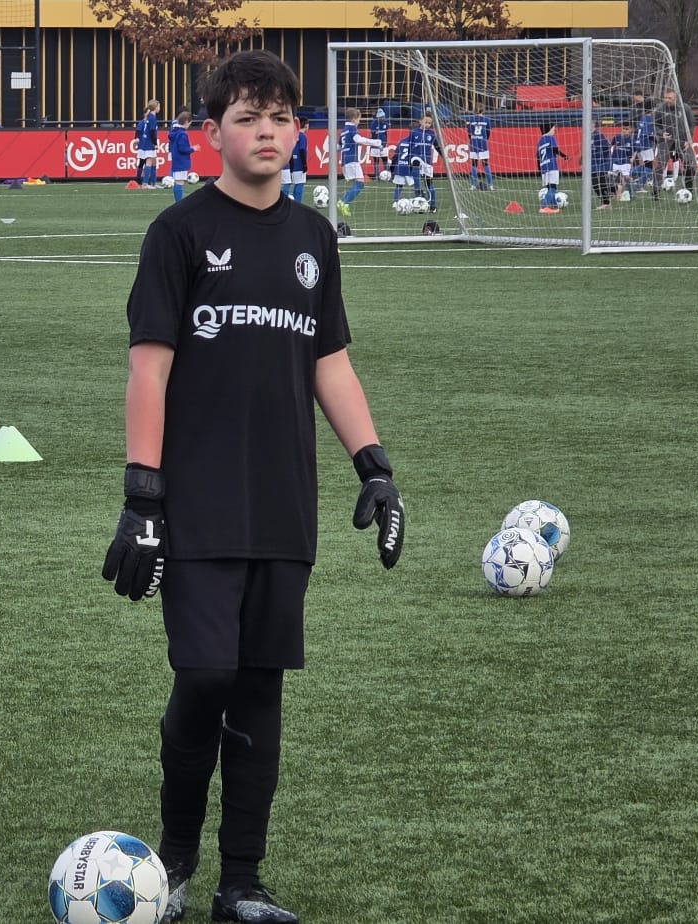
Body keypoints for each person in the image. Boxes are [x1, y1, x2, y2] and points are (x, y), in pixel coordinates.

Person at [102, 48, 404, 924]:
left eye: (279, 117)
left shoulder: (313, 238)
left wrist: (375, 467)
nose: (266, 131)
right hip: (195, 504)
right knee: (203, 677)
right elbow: (148, 371)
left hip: (282, 504)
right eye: (246, 117)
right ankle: (178, 853)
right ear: (211, 134)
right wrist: (142, 495)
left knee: (260, 690)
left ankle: (242, 882)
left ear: (298, 130)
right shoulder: (180, 234)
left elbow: (331, 363)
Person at [334, 107, 380, 216]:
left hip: (345, 160)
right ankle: (343, 202)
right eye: (359, 119)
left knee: (359, 183)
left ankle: (344, 203)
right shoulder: (352, 128)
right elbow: (358, 139)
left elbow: (338, 147)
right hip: (352, 160)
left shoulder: (344, 131)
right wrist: (375, 142)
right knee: (360, 183)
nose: (359, 122)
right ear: (354, 119)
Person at [628, 92, 659, 197]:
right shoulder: (648, 120)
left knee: (646, 165)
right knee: (649, 167)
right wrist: (655, 138)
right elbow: (646, 134)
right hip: (644, 145)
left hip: (640, 144)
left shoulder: (644, 117)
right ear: (653, 109)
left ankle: (630, 177)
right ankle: (635, 182)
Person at [656, 89, 687, 190]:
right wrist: (661, 134)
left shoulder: (682, 109)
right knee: (663, 160)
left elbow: (688, 125)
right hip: (666, 141)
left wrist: (686, 138)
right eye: (666, 98)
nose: (667, 100)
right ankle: (663, 179)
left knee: (675, 157)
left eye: (669, 98)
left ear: (675, 98)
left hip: (678, 141)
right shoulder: (661, 109)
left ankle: (675, 177)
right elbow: (656, 125)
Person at [536, 122, 568, 213]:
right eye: (554, 129)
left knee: (549, 187)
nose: (555, 130)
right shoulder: (551, 138)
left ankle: (554, 206)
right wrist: (564, 156)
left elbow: (538, 157)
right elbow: (555, 149)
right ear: (549, 129)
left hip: (543, 168)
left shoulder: (540, 141)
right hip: (552, 166)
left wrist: (540, 170)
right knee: (553, 187)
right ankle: (544, 206)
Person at [410, 112, 440, 209]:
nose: (427, 124)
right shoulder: (414, 132)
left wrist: (443, 155)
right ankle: (418, 190)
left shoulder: (431, 134)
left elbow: (437, 146)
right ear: (420, 121)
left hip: (427, 161)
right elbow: (409, 145)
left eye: (429, 123)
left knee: (429, 184)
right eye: (426, 122)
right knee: (415, 162)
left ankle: (433, 205)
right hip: (416, 157)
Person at [167, 110, 195, 202]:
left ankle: (178, 202)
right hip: (181, 161)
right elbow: (182, 148)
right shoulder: (182, 134)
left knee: (178, 181)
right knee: (179, 182)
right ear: (186, 122)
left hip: (177, 160)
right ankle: (178, 203)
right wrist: (192, 149)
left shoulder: (175, 132)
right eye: (189, 124)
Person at [589, 119, 617, 209]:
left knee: (599, 183)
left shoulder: (598, 136)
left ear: (593, 125)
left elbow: (605, 148)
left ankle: (606, 202)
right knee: (596, 183)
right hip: (593, 164)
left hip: (600, 164)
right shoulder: (590, 136)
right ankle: (614, 189)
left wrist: (601, 159)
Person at [464, 104, 493, 190]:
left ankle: (473, 185)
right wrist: (484, 139)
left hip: (474, 144)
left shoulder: (471, 120)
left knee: (474, 164)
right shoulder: (486, 120)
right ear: (483, 111)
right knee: (486, 164)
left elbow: (469, 132)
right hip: (483, 144)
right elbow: (488, 133)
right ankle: (490, 185)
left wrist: (472, 140)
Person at [135, 99, 161, 188]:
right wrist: (154, 142)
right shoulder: (152, 117)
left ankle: (153, 183)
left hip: (145, 142)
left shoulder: (149, 116)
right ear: (155, 107)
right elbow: (152, 130)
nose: (159, 108)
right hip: (149, 142)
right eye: (159, 106)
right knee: (149, 162)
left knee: (153, 162)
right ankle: (145, 184)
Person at [283, 122, 308, 202]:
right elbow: (302, 149)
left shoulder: (293, 134)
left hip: (292, 164)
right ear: (306, 125)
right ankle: (297, 205)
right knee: (298, 186)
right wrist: (304, 164)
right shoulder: (302, 136)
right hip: (298, 165)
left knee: (291, 186)